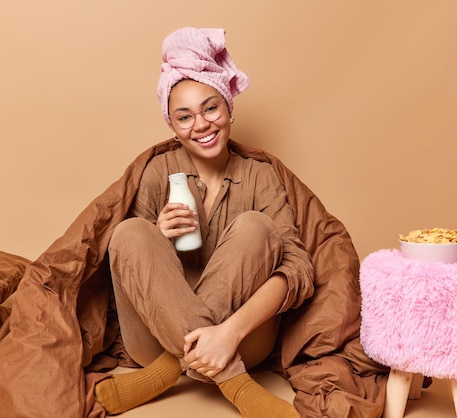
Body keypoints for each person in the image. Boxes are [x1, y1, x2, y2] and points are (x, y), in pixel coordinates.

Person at [93, 27, 315, 418]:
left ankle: (165, 371)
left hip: (240, 339)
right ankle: (236, 384)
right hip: (152, 336)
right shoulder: (158, 170)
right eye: (184, 117)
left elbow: (298, 270)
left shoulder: (261, 175)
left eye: (210, 108)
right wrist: (158, 237)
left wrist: (227, 332)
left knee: (258, 227)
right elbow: (126, 262)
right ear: (172, 127)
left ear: (229, 108)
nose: (201, 124)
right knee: (130, 231)